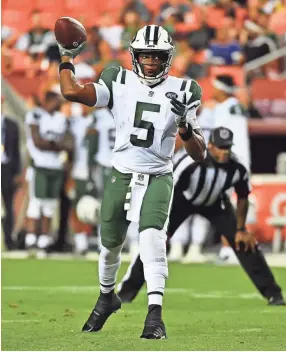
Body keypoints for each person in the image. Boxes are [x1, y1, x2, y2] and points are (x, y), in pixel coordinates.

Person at [57, 24, 206, 339]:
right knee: (109, 245)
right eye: (145, 55)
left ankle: (154, 315)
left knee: (152, 238)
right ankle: (106, 296)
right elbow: (71, 92)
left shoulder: (185, 89)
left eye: (156, 56)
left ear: (167, 57)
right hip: (121, 173)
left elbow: (199, 153)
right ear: (134, 56)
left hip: (158, 174)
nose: (150, 62)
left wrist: (184, 125)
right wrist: (67, 57)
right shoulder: (117, 79)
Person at [117, 127, 285, 307]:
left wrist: (241, 229)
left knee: (244, 242)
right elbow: (167, 187)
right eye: (220, 147)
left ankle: (273, 294)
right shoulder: (189, 161)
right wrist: (160, 223)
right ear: (210, 146)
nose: (225, 151)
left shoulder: (237, 167)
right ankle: (125, 293)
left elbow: (243, 196)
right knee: (154, 243)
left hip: (215, 203)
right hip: (181, 200)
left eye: (227, 147)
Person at [24, 89, 73, 254]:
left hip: (56, 167)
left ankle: (44, 239)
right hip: (38, 165)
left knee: (50, 205)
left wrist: (52, 144)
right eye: (56, 102)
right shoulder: (36, 115)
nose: (58, 105)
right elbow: (37, 141)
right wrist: (56, 145)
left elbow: (68, 143)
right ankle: (31, 238)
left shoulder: (62, 119)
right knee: (36, 203)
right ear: (48, 100)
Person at [1, 100, 22, 250]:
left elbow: (16, 152)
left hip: (6, 168)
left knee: (8, 205)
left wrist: (17, 172)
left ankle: (8, 240)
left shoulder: (11, 125)